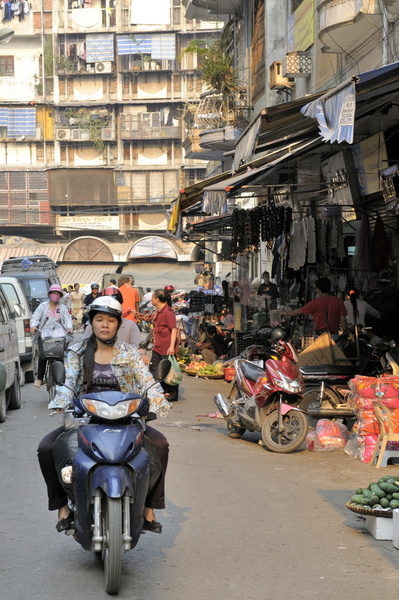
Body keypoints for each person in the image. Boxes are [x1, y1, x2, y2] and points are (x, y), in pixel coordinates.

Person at [37, 296, 171, 534]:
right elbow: (68, 382)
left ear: (119, 324)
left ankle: (149, 506)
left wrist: (158, 401)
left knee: (160, 445)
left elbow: (147, 381)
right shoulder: (76, 351)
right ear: (92, 322)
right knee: (47, 448)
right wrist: (60, 402)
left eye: (110, 320)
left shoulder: (130, 353)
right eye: (99, 319)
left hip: (126, 417)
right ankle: (62, 508)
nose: (105, 325)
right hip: (85, 418)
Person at [30, 284, 73, 389]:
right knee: (43, 356)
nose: (56, 295)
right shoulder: (43, 306)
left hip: (59, 335)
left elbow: (68, 320)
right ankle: (40, 378)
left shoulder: (62, 308)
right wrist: (33, 326)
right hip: (45, 335)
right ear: (49, 294)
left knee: (60, 357)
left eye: (58, 293)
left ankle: (62, 379)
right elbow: (35, 317)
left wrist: (69, 328)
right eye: (54, 293)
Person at [83, 287, 145, 357]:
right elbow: (84, 346)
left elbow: (139, 348)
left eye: (111, 321)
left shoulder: (130, 325)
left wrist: (142, 356)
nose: (105, 325)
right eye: (99, 320)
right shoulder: (92, 326)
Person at [280, 277, 348, 341]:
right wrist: (346, 333)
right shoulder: (338, 301)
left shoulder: (315, 303)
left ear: (318, 289)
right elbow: (343, 320)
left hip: (319, 337)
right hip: (334, 336)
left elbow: (299, 311)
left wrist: (286, 313)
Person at [150, 289, 179, 402]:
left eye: (153, 297)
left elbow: (174, 330)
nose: (151, 300)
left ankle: (172, 393)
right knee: (154, 369)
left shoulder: (168, 312)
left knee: (169, 371)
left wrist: (171, 347)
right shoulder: (159, 311)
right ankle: (159, 391)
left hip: (166, 348)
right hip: (158, 347)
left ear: (157, 299)